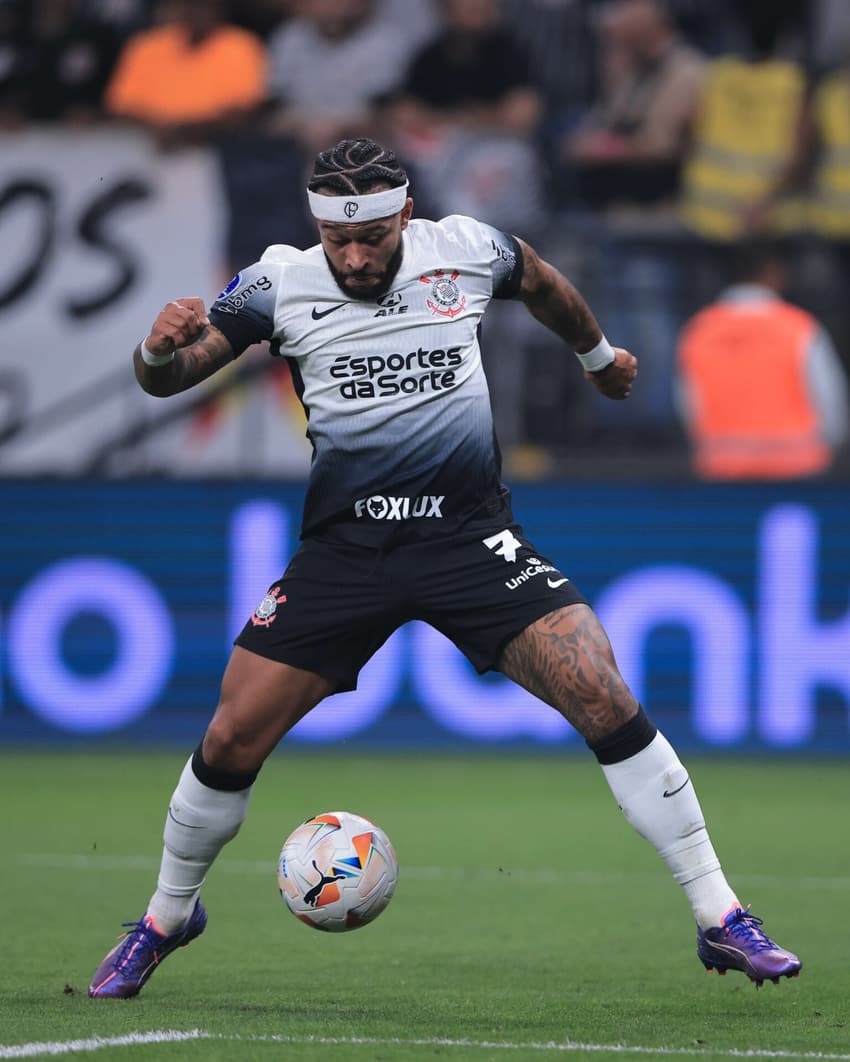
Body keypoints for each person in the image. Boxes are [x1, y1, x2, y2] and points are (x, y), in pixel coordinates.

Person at [88, 136, 802, 999]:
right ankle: (168, 917)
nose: (353, 257)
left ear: (405, 217)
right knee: (231, 737)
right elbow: (174, 377)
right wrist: (160, 352)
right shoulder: (277, 280)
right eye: (337, 239)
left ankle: (721, 919)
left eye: (373, 238)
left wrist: (599, 357)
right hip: (346, 551)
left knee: (602, 689)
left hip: (468, 542)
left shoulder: (464, 250)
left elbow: (540, 279)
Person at [675, 238, 849, 478]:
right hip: (798, 468)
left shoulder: (699, 331)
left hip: (723, 468)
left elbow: (690, 403)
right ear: (774, 273)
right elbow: (830, 402)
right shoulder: (800, 327)